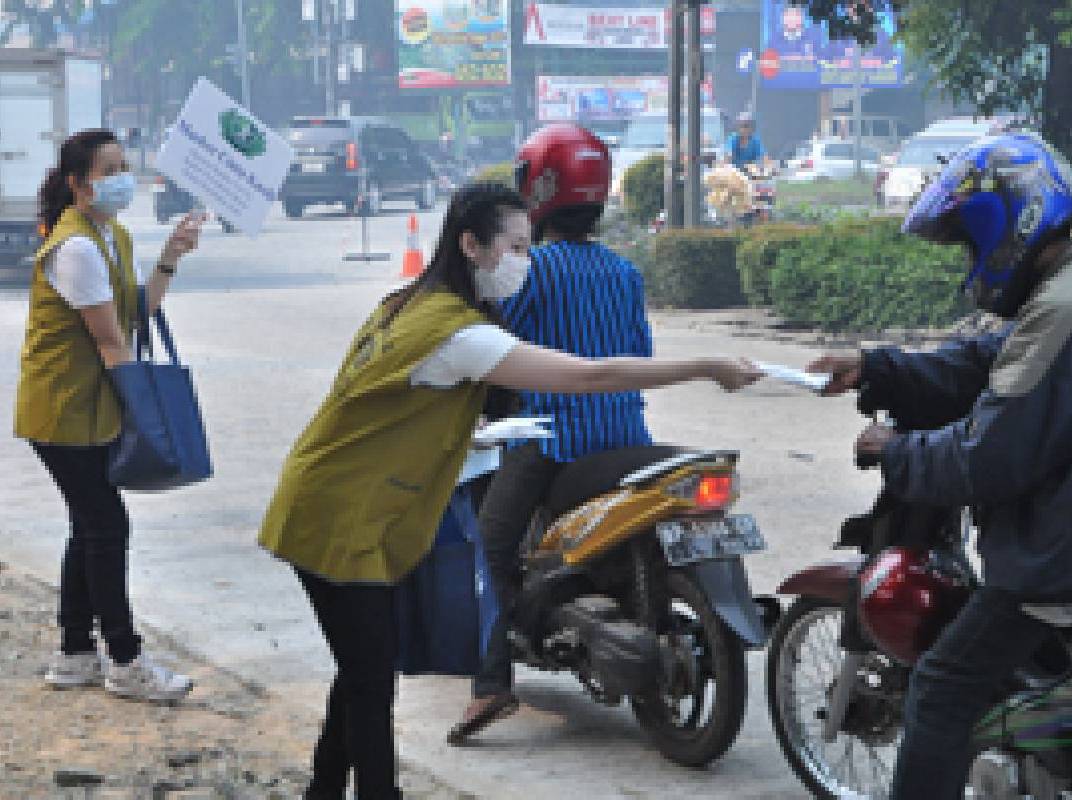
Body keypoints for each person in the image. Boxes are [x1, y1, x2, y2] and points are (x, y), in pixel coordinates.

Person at [257, 182, 761, 800]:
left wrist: (476, 436)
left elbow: (387, 408)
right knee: (370, 680)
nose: (524, 261)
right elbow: (591, 374)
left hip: (334, 501)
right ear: (471, 244)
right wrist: (706, 366)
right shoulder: (455, 332)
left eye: (528, 245)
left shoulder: (410, 305)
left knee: (364, 670)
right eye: (516, 247)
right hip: (340, 515)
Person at [810, 132, 1072, 800]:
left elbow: (986, 460)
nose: (969, 257)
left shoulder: (1062, 308)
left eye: (968, 239)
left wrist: (896, 453)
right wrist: (878, 368)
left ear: (1005, 224)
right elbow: (989, 364)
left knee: (939, 687)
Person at [449, 124, 655, 743]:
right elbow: (638, 353)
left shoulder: (531, 269)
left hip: (551, 440)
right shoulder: (625, 272)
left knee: (484, 548)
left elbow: (496, 346)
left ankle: (491, 687)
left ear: (536, 190)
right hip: (628, 436)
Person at [14, 129, 202, 702]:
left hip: (86, 407)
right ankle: (124, 659)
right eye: (110, 169)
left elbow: (135, 312)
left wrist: (171, 256)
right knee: (106, 526)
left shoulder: (110, 234)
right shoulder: (74, 247)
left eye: (126, 165)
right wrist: (148, 417)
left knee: (89, 524)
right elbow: (112, 342)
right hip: (63, 410)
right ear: (78, 184)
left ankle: (75, 654)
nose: (123, 177)